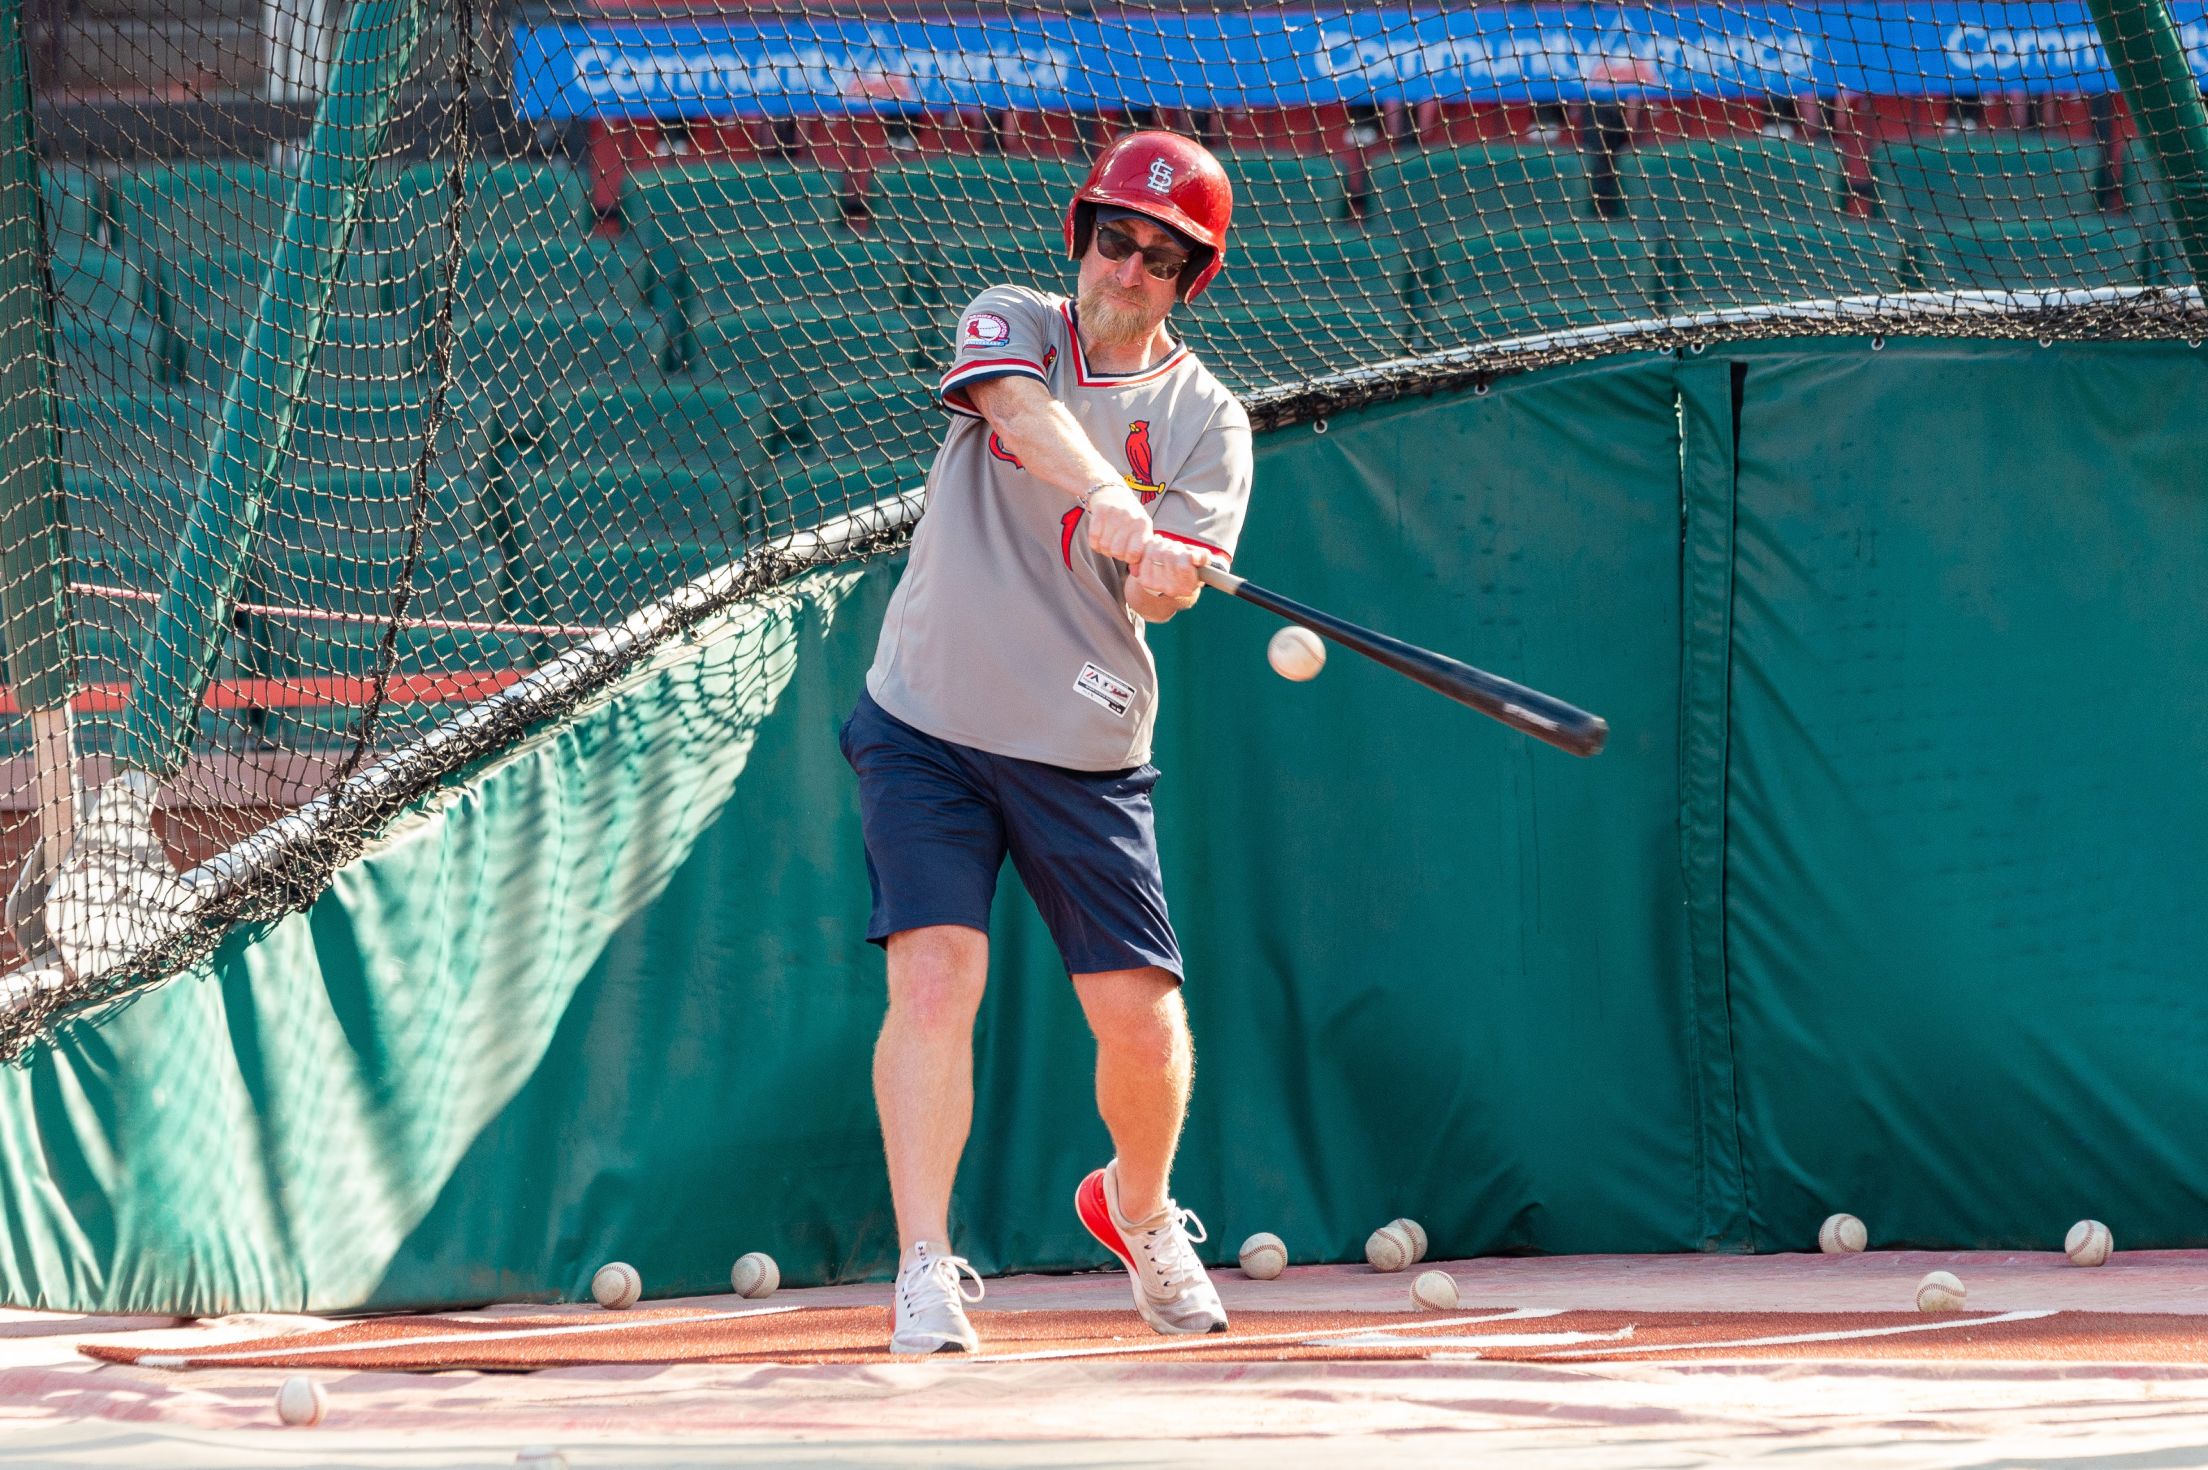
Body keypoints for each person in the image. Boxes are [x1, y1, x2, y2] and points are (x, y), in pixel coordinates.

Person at [840, 130, 1253, 1355]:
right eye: (1116, 238)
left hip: (1083, 739)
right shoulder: (1013, 320)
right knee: (932, 979)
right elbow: (1017, 416)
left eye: (1161, 257)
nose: (1129, 267)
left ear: (1189, 279)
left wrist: (1168, 570)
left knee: (1141, 1021)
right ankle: (923, 1265)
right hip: (927, 719)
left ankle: (1136, 1210)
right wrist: (1120, 508)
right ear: (1084, 239)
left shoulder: (1209, 422)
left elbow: (1170, 598)